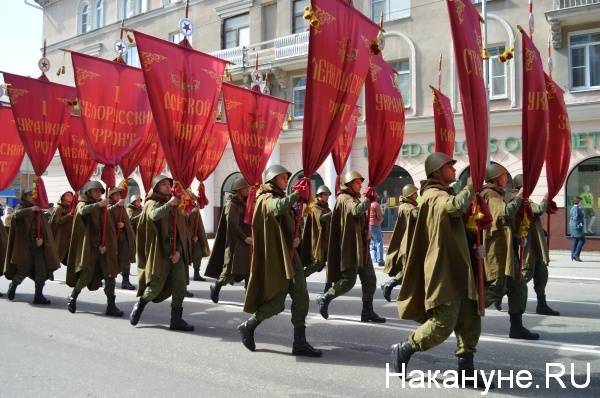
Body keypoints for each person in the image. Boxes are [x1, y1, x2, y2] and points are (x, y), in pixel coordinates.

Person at [391, 152, 484, 386]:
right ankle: (405, 347)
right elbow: (452, 208)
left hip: (461, 267)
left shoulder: (446, 192)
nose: (454, 170)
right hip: (444, 269)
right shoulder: (433, 195)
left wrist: (475, 246)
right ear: (436, 172)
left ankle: (467, 372)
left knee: (470, 320)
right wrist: (470, 187)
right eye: (449, 167)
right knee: (444, 322)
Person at [238, 165, 321, 357]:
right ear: (272, 179)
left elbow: (289, 220)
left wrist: (296, 236)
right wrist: (294, 195)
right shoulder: (265, 197)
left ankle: (299, 342)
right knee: (276, 303)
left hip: (291, 255)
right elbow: (276, 208)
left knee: (301, 296)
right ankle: (249, 325)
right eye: (283, 178)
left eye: (286, 178)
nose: (286, 181)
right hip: (278, 258)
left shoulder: (280, 196)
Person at [317, 170, 385, 323]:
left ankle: (367, 312)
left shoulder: (353, 197)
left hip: (361, 246)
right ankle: (325, 297)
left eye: (361, 183)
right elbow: (356, 210)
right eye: (358, 183)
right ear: (349, 183)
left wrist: (366, 232)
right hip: (351, 247)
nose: (361, 185)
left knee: (370, 279)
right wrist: (367, 200)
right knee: (348, 281)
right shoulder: (345, 197)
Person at [129, 175, 194, 332]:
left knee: (180, 284)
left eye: (168, 184)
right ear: (156, 187)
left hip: (175, 253)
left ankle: (176, 319)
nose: (166, 186)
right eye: (163, 184)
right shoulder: (151, 203)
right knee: (155, 286)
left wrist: (178, 250)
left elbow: (181, 231)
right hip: (160, 253)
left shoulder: (174, 203)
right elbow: (153, 215)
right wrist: (170, 204)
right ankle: (141, 304)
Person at [481, 164, 538, 340]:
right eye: (504, 175)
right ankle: (464, 315)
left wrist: (515, 239)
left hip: (507, 249)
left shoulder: (499, 194)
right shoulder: (489, 194)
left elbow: (505, 225)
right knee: (495, 289)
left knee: (518, 286)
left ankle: (517, 327)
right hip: (496, 251)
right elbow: (504, 214)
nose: (506, 178)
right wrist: (520, 197)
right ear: (496, 177)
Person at [66, 181, 123, 317]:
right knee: (86, 275)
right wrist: (98, 204)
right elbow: (82, 211)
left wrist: (107, 242)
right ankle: (73, 297)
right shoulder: (83, 203)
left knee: (110, 275)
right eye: (96, 191)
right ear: (89, 192)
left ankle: (111, 305)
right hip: (90, 248)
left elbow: (107, 226)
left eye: (100, 191)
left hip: (104, 248)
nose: (99, 194)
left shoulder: (103, 206)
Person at [512, 175, 559, 316]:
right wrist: (546, 197)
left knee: (541, 273)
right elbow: (537, 209)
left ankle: (542, 304)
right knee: (524, 275)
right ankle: (502, 296)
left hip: (535, 243)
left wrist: (541, 231)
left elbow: (532, 218)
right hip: (527, 245)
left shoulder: (525, 199)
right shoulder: (519, 199)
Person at [4, 188, 60, 304]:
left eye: (33, 195)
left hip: (39, 246)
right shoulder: (22, 207)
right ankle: (13, 285)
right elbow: (15, 216)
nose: (32, 197)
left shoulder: (39, 211)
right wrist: (30, 209)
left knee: (41, 271)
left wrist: (43, 240)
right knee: (23, 270)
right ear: (24, 196)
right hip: (26, 246)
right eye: (30, 195)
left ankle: (38, 296)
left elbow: (45, 229)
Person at [205, 176, 252, 303]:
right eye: (245, 188)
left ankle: (249, 298)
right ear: (238, 189)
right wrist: (244, 238)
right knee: (228, 273)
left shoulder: (246, 202)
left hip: (247, 243)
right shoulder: (232, 204)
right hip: (235, 244)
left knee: (249, 271)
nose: (248, 190)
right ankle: (216, 288)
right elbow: (232, 225)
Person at [380, 183, 418, 302]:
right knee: (409, 270)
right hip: (408, 244)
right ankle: (390, 285)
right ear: (410, 195)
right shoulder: (407, 207)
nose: (417, 195)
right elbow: (416, 215)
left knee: (409, 269)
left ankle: (390, 285)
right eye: (415, 193)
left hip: (408, 242)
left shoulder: (405, 205)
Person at [301, 185, 332, 283]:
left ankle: (329, 285)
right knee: (318, 262)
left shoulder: (326, 208)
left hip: (327, 240)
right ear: (320, 195)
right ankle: (301, 276)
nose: (327, 197)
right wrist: (334, 213)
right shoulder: (314, 207)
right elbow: (321, 218)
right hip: (318, 240)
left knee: (331, 262)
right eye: (325, 195)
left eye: (328, 195)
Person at [108, 186, 136, 290]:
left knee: (125, 259)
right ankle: (107, 278)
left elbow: (126, 221)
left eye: (119, 194)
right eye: (116, 194)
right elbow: (106, 214)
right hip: (113, 239)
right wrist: (116, 206)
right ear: (111, 196)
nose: (118, 196)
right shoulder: (110, 206)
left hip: (123, 238)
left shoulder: (121, 207)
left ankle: (125, 280)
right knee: (112, 260)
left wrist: (123, 225)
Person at [188, 198, 210, 282]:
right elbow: (185, 224)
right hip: (188, 238)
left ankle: (196, 274)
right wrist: (191, 235)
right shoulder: (186, 209)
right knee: (186, 257)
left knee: (198, 254)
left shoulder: (195, 209)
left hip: (197, 237)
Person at [50, 191, 74, 265]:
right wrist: (68, 216)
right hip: (60, 238)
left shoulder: (70, 208)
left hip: (68, 238)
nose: (70, 197)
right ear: (63, 197)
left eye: (71, 195)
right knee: (56, 260)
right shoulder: (59, 208)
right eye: (68, 195)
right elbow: (57, 221)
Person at [369, 195, 384, 267]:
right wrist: (380, 222)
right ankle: (380, 260)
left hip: (369, 225)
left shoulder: (368, 204)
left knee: (373, 242)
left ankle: (375, 258)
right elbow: (379, 216)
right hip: (375, 225)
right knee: (379, 242)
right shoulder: (376, 204)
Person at [570, 196, 586, 261]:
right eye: (581, 202)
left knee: (575, 240)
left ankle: (573, 255)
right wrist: (580, 225)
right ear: (578, 202)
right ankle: (576, 255)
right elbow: (576, 218)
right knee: (582, 240)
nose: (582, 203)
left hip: (573, 227)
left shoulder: (572, 208)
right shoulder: (576, 208)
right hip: (577, 227)